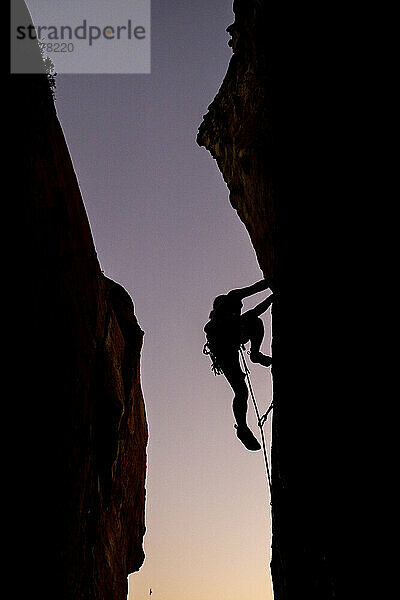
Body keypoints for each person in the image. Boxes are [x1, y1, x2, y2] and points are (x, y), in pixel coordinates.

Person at [203, 279, 273, 451]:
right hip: (224, 350)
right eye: (238, 304)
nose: (240, 306)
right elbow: (255, 288)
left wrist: (272, 298)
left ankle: (255, 355)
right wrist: (272, 281)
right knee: (241, 392)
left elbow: (256, 311)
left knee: (254, 319)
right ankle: (242, 427)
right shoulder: (230, 300)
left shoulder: (234, 315)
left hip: (227, 349)